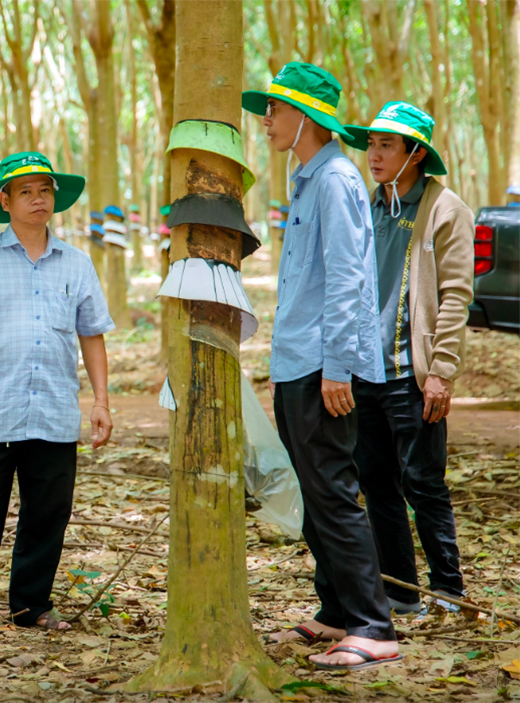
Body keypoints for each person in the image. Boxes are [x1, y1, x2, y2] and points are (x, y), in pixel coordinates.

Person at [243, 63, 401, 671]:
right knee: (313, 489)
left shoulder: (335, 179)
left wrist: (338, 367)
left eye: (275, 110)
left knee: (333, 491)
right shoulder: (305, 176)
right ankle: (336, 609)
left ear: (304, 117)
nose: (266, 120)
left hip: (322, 365)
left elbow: (347, 280)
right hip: (295, 360)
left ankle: (372, 624)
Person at [0, 151, 115, 635]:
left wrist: (101, 401)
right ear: (5, 201)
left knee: (48, 513)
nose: (39, 199)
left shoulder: (76, 264)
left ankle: (30, 605)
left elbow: (92, 335)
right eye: (27, 191)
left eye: (46, 190)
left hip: (54, 411)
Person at [341, 102, 473, 614]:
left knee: (423, 482)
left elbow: (457, 294)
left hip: (412, 375)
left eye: (386, 145)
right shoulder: (366, 205)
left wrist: (441, 371)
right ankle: (400, 592)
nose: (373, 154)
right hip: (364, 371)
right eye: (371, 144)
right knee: (375, 483)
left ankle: (448, 590)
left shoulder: (445, 210)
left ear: (415, 154)